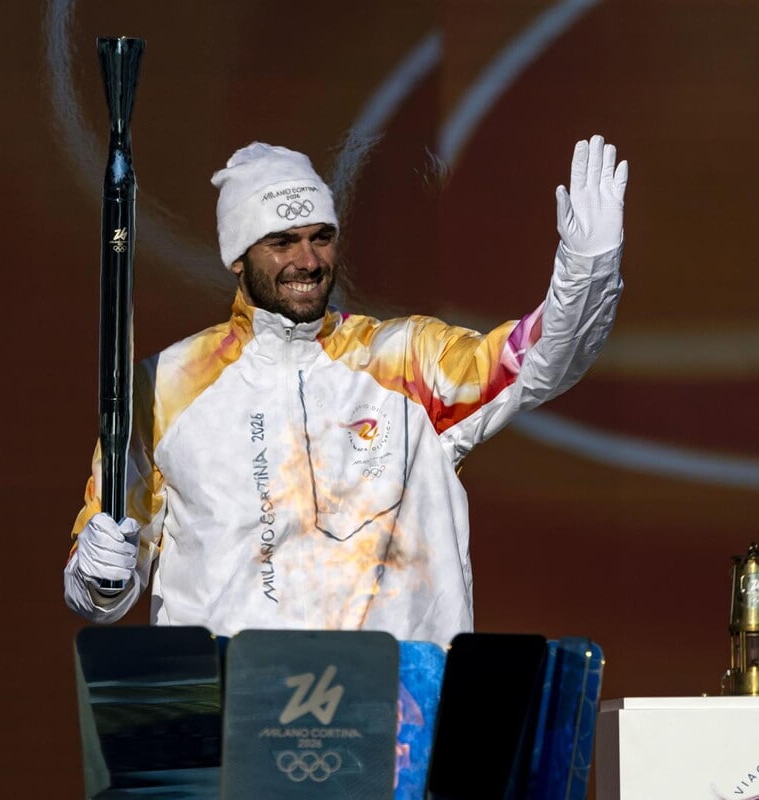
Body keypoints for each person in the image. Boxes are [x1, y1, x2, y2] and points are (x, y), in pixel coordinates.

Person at [64, 136, 628, 647]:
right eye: (282, 242)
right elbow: (105, 584)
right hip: (231, 704)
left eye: (321, 238)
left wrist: (588, 269)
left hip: (394, 702)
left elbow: (537, 362)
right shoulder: (166, 386)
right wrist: (98, 576)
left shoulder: (406, 360)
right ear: (237, 257)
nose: (307, 261)